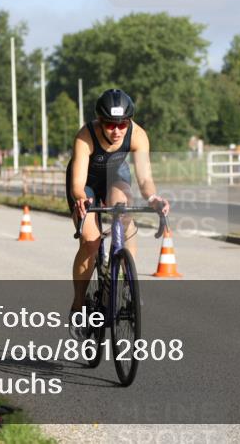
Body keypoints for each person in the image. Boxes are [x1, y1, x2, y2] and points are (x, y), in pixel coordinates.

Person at [66, 89, 170, 339]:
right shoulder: (85, 136)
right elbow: (78, 184)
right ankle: (79, 304)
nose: (116, 130)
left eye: (122, 124)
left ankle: (124, 280)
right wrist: (81, 199)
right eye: (110, 124)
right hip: (87, 184)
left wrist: (153, 198)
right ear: (100, 121)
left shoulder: (138, 135)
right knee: (91, 242)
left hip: (115, 177)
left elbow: (145, 179)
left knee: (124, 212)